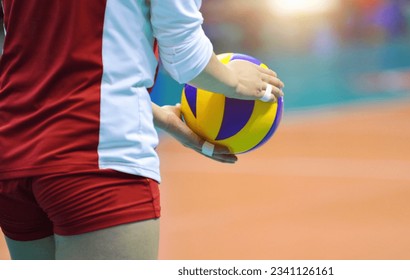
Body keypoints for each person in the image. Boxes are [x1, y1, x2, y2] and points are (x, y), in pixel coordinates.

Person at [0, 0, 284, 260]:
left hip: (13, 158)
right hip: (99, 156)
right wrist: (234, 81)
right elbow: (184, 53)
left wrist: (161, 118)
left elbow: (38, 65)